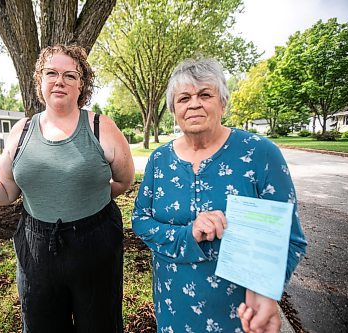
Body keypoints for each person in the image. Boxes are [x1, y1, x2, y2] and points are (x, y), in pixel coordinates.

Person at [0, 44, 134, 332]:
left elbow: (123, 181)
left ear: (82, 85)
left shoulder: (101, 127)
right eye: (51, 73)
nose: (59, 81)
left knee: (100, 324)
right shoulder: (21, 131)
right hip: (36, 246)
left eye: (70, 75)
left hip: (96, 244)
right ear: (39, 81)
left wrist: (86, 203)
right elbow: (5, 192)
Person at [131, 58, 307, 333]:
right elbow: (141, 220)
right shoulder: (159, 160)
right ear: (173, 110)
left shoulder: (259, 153)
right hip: (172, 306)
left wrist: (264, 291)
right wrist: (188, 235)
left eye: (205, 94)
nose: (194, 104)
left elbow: (291, 239)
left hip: (239, 314)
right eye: (184, 98)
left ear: (222, 103)